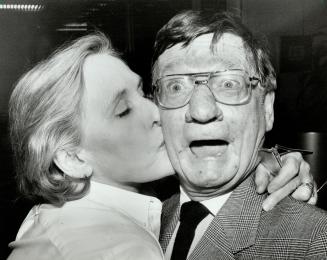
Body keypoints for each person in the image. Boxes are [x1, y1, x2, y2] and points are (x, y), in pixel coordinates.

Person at [7, 33, 316, 259]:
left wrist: (266, 158)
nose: (158, 113)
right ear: (72, 158)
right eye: (123, 110)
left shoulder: (48, 217)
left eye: (144, 94)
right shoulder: (117, 247)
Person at [152, 10, 327, 259]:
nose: (201, 111)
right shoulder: (137, 223)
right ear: (156, 111)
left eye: (229, 84)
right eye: (176, 86)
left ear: (267, 108)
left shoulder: (314, 241)